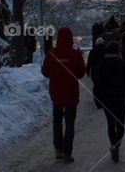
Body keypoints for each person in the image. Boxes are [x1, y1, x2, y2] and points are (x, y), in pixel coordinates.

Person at [41, 26, 86, 163]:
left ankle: (58, 149)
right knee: (70, 123)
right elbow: (81, 73)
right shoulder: (76, 54)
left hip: (56, 94)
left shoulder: (51, 54)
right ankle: (67, 152)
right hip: (71, 94)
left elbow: (45, 72)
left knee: (57, 121)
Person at [94, 41, 125, 162]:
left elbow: (97, 85)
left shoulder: (101, 65)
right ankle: (116, 145)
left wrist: (98, 101)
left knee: (110, 124)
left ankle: (113, 144)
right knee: (120, 125)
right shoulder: (123, 64)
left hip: (107, 100)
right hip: (121, 99)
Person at [86, 37, 107, 110]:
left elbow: (89, 62)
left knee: (96, 87)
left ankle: (97, 102)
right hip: (104, 72)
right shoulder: (106, 50)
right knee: (104, 86)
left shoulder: (92, 51)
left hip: (95, 72)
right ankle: (104, 101)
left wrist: (88, 71)